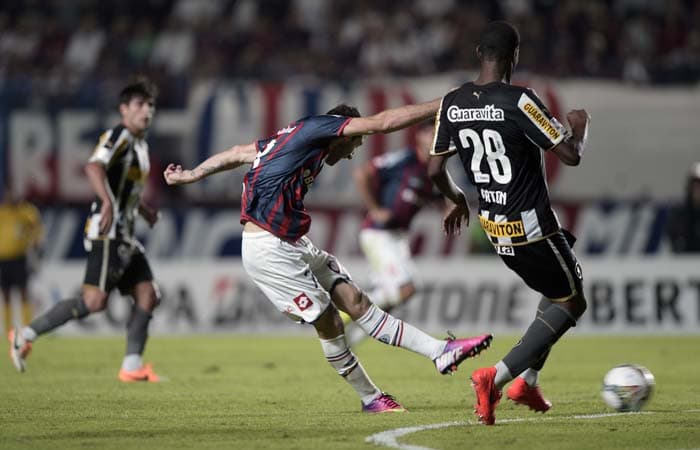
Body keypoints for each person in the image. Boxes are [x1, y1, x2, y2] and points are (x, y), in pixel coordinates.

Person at [163, 101, 493, 413]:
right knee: (330, 322)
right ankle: (371, 398)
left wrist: (193, 174)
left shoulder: (292, 143)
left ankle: (439, 351)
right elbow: (383, 123)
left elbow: (237, 154)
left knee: (357, 301)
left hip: (293, 242)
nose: (352, 154)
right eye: (354, 143)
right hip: (267, 249)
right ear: (341, 131)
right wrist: (446, 102)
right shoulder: (319, 128)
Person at [427, 21, 591, 425]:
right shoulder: (520, 101)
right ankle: (497, 379)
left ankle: (528, 381)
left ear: (477, 54)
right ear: (514, 56)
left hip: (496, 229)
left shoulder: (452, 102)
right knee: (572, 300)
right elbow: (569, 156)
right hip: (532, 226)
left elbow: (434, 169)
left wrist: (456, 198)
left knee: (555, 287)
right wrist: (581, 129)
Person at [10, 78, 163, 383]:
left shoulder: (141, 146)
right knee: (94, 301)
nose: (146, 110)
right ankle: (24, 335)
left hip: (126, 234)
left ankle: (131, 367)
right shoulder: (118, 135)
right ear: (124, 109)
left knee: (148, 294)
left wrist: (143, 210)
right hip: (107, 232)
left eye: (150, 105)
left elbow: (127, 188)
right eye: (139, 104)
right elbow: (94, 167)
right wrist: (106, 201)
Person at [343, 120, 443, 345]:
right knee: (404, 289)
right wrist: (375, 209)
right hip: (379, 234)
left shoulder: (432, 170)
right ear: (420, 136)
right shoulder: (404, 160)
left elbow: (430, 197)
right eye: (432, 134)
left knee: (395, 296)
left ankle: (350, 342)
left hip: (398, 238)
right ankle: (344, 311)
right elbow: (362, 174)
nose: (436, 140)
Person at [0, 182, 43, 335]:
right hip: (3, 259)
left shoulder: (25, 211)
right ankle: (8, 331)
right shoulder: (2, 212)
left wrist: (36, 241)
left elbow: (37, 226)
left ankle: (27, 329)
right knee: (5, 294)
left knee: (24, 292)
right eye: (8, 194)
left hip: (19, 257)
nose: (10, 197)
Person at [666, 162, 700, 252]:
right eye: (696, 186)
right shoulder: (680, 214)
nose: (698, 190)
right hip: (685, 263)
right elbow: (674, 240)